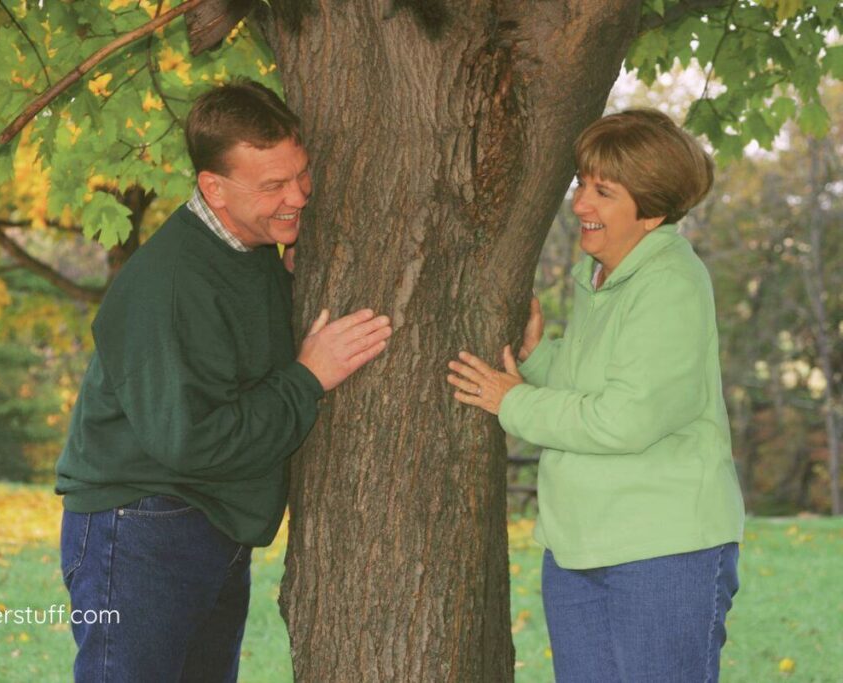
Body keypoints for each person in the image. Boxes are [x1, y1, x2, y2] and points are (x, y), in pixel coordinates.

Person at [55, 80, 392, 682]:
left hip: (207, 521)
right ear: (214, 188)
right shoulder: (174, 284)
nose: (298, 197)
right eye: (272, 186)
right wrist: (309, 376)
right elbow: (193, 440)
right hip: (140, 527)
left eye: (301, 174)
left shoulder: (249, 247)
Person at [446, 109, 745, 681]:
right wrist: (537, 360)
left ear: (651, 208)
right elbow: (600, 381)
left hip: (664, 551)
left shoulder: (670, 283)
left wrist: (510, 402)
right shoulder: (604, 276)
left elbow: (625, 417)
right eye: (582, 184)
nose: (580, 204)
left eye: (603, 192)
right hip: (582, 546)